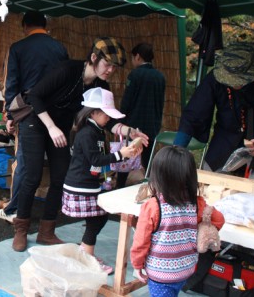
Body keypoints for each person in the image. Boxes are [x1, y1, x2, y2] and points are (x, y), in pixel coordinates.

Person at [12, 37, 148, 252]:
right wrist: (51, 127)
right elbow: (35, 96)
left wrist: (129, 131)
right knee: (32, 175)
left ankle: (46, 232)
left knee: (59, 177)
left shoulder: (101, 85)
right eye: (107, 64)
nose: (110, 70)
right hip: (37, 122)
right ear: (94, 58)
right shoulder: (67, 70)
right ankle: (21, 229)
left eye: (114, 66)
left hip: (60, 128)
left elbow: (108, 119)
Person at [173, 42, 254, 195]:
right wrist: (177, 150)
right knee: (208, 190)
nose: (234, 84)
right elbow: (193, 114)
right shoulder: (216, 76)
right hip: (225, 139)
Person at [0, 10, 68, 224]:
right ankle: (47, 221)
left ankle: (17, 212)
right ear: (45, 26)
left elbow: (12, 84)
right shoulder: (60, 48)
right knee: (57, 173)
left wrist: (11, 114)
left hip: (29, 114)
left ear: (25, 26)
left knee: (27, 167)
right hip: (56, 114)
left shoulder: (18, 48)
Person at [62, 87, 140, 274]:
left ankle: (85, 252)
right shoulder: (87, 133)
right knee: (98, 217)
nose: (108, 118)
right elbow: (95, 160)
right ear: (94, 112)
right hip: (80, 185)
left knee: (99, 217)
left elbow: (98, 161)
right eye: (106, 114)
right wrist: (121, 154)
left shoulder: (96, 130)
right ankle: (87, 258)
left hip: (89, 183)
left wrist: (108, 176)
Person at [130, 146, 225, 296]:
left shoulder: (153, 206)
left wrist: (137, 264)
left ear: (158, 176)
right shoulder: (197, 203)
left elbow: (140, 241)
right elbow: (219, 220)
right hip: (186, 269)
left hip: (160, 274)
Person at [117, 42, 165, 188]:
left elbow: (127, 102)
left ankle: (119, 187)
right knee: (148, 160)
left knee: (126, 159)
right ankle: (151, 189)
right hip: (152, 125)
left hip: (133, 127)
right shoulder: (160, 77)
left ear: (137, 57)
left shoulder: (135, 75)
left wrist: (121, 122)